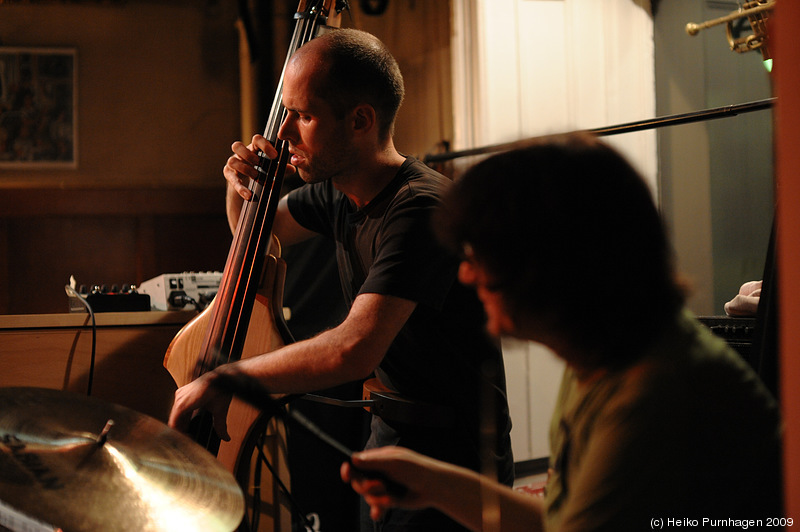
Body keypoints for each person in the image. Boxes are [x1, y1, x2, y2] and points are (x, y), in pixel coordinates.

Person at [341, 132, 784, 531]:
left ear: (558, 264)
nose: (467, 275)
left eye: (483, 255)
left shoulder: (651, 394)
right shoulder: (605, 354)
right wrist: (431, 481)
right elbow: (559, 522)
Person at [168, 28, 514, 531]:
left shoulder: (420, 208)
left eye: (304, 117)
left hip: (454, 459)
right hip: (391, 435)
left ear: (360, 121)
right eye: (286, 114)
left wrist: (229, 378)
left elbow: (353, 349)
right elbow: (257, 240)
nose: (284, 134)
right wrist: (242, 188)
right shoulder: (338, 191)